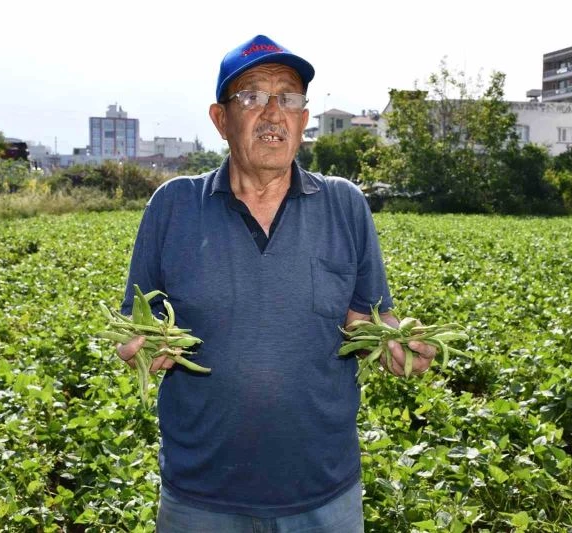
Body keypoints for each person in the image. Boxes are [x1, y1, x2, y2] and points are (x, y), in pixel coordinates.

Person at [116, 34, 437, 533]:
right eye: (251, 96)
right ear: (220, 119)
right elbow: (137, 322)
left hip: (323, 494)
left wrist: (396, 342)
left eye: (288, 98)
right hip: (200, 497)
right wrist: (141, 345)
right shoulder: (173, 206)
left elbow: (366, 316)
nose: (273, 113)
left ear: (304, 119)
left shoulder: (344, 205)